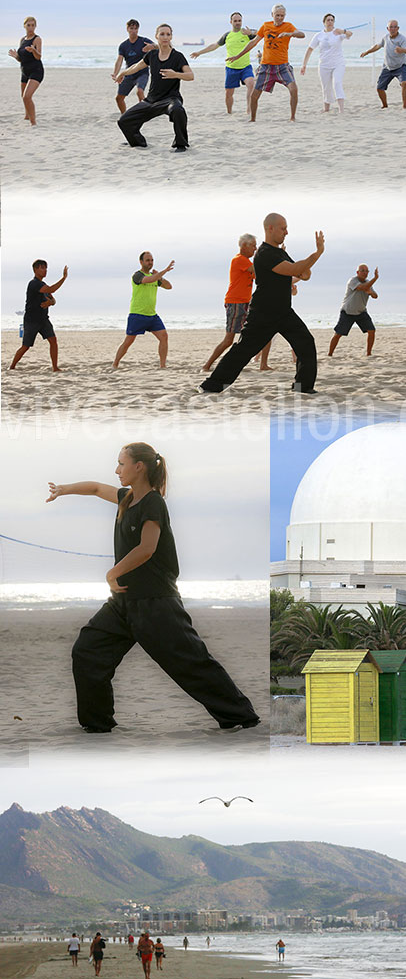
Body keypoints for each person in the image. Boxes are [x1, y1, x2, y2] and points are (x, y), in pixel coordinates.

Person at [46, 444, 261, 733]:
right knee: (87, 651)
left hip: (157, 604)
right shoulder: (126, 498)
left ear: (140, 467)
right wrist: (64, 488)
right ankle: (96, 724)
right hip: (121, 603)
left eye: (121, 464)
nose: (117, 470)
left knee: (191, 664)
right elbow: (97, 488)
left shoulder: (153, 504)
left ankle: (241, 716)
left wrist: (113, 572)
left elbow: (147, 548)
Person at [199, 213, 324, 395]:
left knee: (306, 343)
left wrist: (302, 269)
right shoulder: (264, 254)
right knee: (243, 351)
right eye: (283, 228)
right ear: (270, 228)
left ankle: (302, 388)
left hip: (284, 311)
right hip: (264, 313)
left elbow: (303, 274)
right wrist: (317, 254)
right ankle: (210, 387)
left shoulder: (280, 252)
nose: (286, 232)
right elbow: (297, 269)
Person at [115, 24, 193, 150]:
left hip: (170, 99)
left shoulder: (177, 56)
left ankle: (181, 144)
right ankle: (138, 142)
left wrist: (175, 74)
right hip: (151, 100)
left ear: (171, 36)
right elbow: (136, 66)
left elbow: (190, 75)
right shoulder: (151, 55)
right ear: (156, 36)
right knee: (123, 121)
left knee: (178, 110)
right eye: (162, 34)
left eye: (168, 34)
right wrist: (123, 73)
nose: (165, 37)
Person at [226, 5, 305, 122]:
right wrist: (238, 56)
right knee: (255, 95)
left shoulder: (288, 26)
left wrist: (289, 34)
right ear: (272, 15)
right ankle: (252, 119)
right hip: (266, 66)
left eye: (282, 15)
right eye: (277, 15)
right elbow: (253, 42)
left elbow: (301, 34)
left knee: (294, 89)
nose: (279, 18)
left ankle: (292, 117)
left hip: (282, 66)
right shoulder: (266, 26)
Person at [203, 234, 257, 372]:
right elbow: (257, 270)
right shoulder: (239, 260)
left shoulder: (247, 262)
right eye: (253, 246)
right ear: (244, 245)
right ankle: (207, 366)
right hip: (235, 303)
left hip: (245, 303)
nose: (255, 249)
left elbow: (260, 275)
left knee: (252, 335)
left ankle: (260, 364)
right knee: (228, 340)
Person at [113, 252, 174, 369]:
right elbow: (148, 279)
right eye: (147, 260)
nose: (150, 262)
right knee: (128, 342)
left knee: (164, 336)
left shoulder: (156, 277)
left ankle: (162, 366)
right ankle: (115, 363)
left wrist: (160, 276)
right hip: (137, 315)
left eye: (152, 260)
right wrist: (164, 271)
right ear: (141, 262)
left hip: (152, 315)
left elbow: (169, 286)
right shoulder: (137, 275)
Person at [191, 13, 256, 114]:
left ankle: (249, 109)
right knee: (229, 94)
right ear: (231, 22)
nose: (238, 23)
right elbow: (214, 46)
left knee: (251, 83)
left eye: (239, 21)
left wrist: (251, 32)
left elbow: (262, 32)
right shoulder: (227, 35)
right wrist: (199, 53)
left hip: (245, 67)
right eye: (235, 21)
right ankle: (229, 112)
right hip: (231, 68)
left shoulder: (246, 33)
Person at [10, 260, 68, 372]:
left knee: (53, 340)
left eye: (46, 268)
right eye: (42, 268)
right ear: (35, 270)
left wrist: (50, 302)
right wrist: (64, 278)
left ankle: (55, 367)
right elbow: (52, 290)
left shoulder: (43, 285)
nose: (45, 270)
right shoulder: (34, 284)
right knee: (26, 346)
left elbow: (53, 298)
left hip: (43, 319)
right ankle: (12, 366)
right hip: (32, 320)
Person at [300, 14, 352, 113]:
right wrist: (304, 65)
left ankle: (341, 110)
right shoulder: (319, 35)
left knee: (337, 83)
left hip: (338, 63)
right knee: (326, 87)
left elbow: (350, 34)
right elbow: (310, 49)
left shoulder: (338, 33)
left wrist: (342, 31)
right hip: (324, 65)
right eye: (328, 20)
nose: (330, 22)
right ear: (324, 22)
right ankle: (326, 109)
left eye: (332, 20)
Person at [328, 265, 379, 356]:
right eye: (362, 270)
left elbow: (375, 296)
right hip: (347, 312)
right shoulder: (353, 281)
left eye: (367, 271)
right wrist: (375, 278)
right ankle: (330, 354)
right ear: (357, 272)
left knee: (371, 331)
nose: (365, 272)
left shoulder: (368, 283)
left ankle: (369, 353)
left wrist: (371, 292)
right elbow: (362, 287)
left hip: (361, 312)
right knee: (338, 334)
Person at [361, 20, 406, 108]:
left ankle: (404, 106)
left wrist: (401, 50)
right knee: (379, 88)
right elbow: (377, 46)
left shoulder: (402, 38)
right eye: (391, 27)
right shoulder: (385, 37)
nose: (393, 29)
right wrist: (367, 52)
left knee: (404, 83)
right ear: (387, 29)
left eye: (395, 27)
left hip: (400, 66)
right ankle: (385, 106)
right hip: (387, 67)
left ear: (398, 28)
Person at [112, 19, 154, 114]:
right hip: (129, 74)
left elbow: (156, 46)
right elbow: (119, 60)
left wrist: (152, 47)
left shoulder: (144, 41)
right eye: (131, 28)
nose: (134, 31)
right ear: (127, 29)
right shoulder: (123, 45)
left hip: (142, 73)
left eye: (136, 28)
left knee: (139, 91)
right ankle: (124, 116)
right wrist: (115, 73)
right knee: (119, 98)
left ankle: (143, 113)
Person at [8, 16, 44, 125]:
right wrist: (16, 57)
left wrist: (33, 50)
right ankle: (27, 116)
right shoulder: (22, 40)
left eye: (33, 25)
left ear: (35, 26)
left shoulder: (37, 39)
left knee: (27, 96)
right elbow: (21, 59)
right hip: (24, 71)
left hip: (36, 70)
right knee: (23, 97)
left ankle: (33, 123)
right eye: (28, 25)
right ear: (24, 26)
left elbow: (38, 57)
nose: (31, 27)